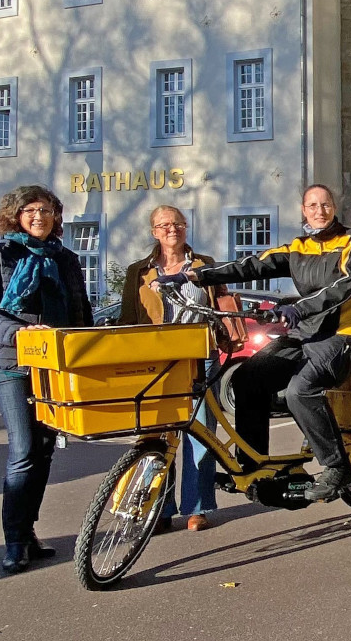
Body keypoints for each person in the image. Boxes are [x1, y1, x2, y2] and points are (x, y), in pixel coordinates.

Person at [156, 184, 351, 502]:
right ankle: (253, 463)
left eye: (325, 204)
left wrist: (298, 308)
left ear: (334, 207)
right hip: (307, 334)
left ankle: (337, 466)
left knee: (301, 390)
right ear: (304, 210)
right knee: (247, 378)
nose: (319, 210)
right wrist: (195, 276)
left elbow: (346, 283)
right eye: (312, 205)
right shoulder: (298, 247)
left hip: (347, 334)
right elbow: (252, 264)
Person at [0, 185, 93, 573]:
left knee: (45, 447)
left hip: (56, 366)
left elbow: (80, 312)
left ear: (56, 216)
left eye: (46, 210)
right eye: (30, 210)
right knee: (24, 447)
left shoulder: (65, 258)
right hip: (12, 365)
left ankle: (28, 531)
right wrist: (21, 332)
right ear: (16, 215)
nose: (38, 216)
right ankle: (14, 541)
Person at [119, 205, 224, 532]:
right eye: (163, 225)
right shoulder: (139, 271)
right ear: (154, 232)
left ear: (186, 227)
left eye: (177, 224)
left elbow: (221, 306)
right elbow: (128, 321)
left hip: (200, 357)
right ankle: (159, 508)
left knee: (201, 434)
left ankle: (196, 507)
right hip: (156, 361)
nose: (171, 229)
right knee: (155, 435)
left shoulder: (204, 265)